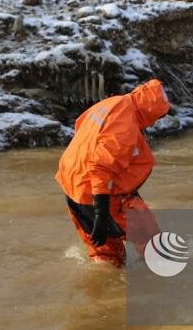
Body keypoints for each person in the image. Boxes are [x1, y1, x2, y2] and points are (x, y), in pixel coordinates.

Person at [55, 79, 170, 267]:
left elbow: (80, 127)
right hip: (100, 194)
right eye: (159, 116)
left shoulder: (112, 103)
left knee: (105, 258)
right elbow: (100, 167)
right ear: (151, 111)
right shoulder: (125, 128)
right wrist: (101, 214)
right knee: (156, 247)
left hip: (72, 187)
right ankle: (159, 287)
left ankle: (103, 290)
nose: (156, 122)